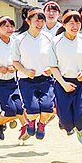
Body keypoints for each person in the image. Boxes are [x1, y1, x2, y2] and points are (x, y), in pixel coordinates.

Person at [49, 9, 82, 144]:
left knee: (80, 118)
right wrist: (64, 84)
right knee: (66, 123)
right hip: (62, 83)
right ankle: (78, 128)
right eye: (71, 23)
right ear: (63, 24)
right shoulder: (56, 42)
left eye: (77, 22)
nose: (75, 26)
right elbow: (53, 66)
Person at [12, 8, 55, 140]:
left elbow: (56, 58)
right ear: (28, 21)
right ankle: (31, 122)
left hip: (46, 79)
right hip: (26, 80)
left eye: (42, 21)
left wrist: (51, 69)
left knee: (48, 108)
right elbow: (15, 61)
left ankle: (41, 124)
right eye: (36, 21)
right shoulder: (19, 39)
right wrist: (25, 71)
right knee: (32, 109)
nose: (40, 24)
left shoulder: (49, 38)